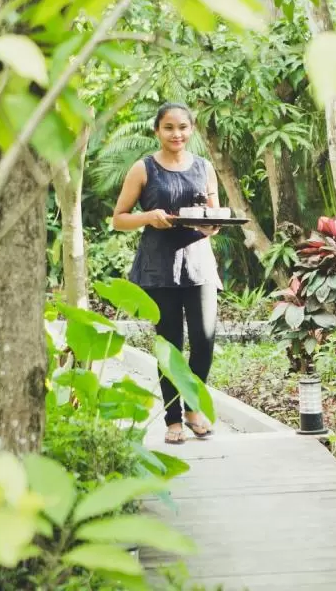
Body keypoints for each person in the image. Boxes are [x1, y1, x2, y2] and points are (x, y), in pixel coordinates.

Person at [111, 102, 221, 445]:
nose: (177, 134)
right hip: (159, 267)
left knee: (204, 341)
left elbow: (216, 220)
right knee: (170, 344)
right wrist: (149, 217)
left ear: (192, 130)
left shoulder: (205, 167)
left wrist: (209, 223)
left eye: (183, 128)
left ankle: (193, 408)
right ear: (157, 130)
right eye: (169, 127)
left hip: (199, 264)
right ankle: (174, 420)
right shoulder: (143, 169)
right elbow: (119, 218)